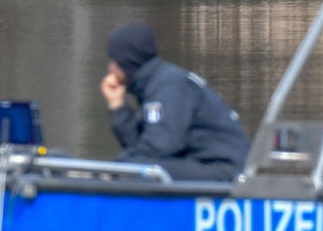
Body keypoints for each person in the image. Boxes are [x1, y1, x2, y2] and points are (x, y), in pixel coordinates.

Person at [100, 23, 250, 181]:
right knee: (132, 165)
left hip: (223, 167)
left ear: (128, 61)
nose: (111, 68)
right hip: (201, 163)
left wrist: (117, 168)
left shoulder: (169, 86)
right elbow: (138, 145)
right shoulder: (155, 83)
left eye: (115, 61)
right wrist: (117, 106)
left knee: (132, 168)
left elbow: (161, 146)